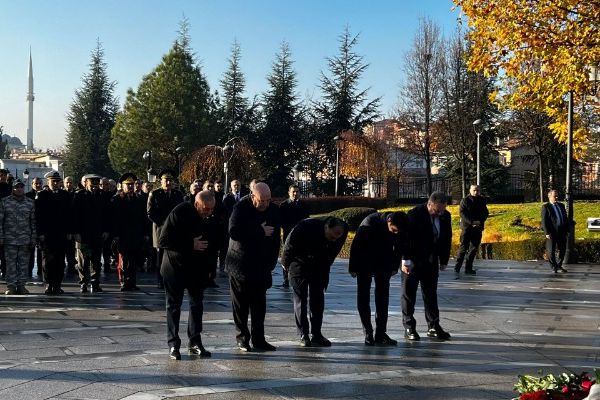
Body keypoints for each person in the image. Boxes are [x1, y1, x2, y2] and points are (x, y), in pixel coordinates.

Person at [160, 190, 219, 360]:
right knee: (174, 306)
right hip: (175, 267)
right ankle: (173, 344)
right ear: (196, 204)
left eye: (212, 209)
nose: (209, 212)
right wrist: (190, 244)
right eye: (206, 208)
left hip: (197, 269)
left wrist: (211, 269)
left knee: (196, 305)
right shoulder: (180, 211)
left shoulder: (210, 217)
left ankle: (195, 342)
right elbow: (164, 240)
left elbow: (212, 244)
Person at [226, 182, 281, 352]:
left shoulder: (273, 210)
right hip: (240, 263)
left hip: (261, 264)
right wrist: (259, 230)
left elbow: (276, 238)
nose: (265, 204)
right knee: (240, 305)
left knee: (259, 305)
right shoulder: (241, 207)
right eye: (261, 200)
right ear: (252, 196)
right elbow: (233, 231)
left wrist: (272, 262)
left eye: (268, 200)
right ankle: (242, 338)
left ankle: (259, 339)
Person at [281, 216, 348, 347]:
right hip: (299, 263)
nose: (334, 239)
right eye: (332, 236)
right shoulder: (306, 226)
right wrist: (285, 262)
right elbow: (290, 243)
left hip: (320, 265)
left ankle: (317, 334)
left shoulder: (342, 230)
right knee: (300, 299)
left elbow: (334, 250)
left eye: (337, 237)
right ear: (326, 227)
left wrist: (327, 264)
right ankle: (303, 334)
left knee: (318, 300)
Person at [349, 211, 409, 346]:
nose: (396, 233)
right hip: (365, 261)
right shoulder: (370, 222)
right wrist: (353, 267)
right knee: (363, 296)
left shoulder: (401, 225)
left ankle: (381, 333)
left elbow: (400, 246)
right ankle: (368, 332)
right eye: (394, 230)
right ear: (389, 222)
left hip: (384, 262)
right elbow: (356, 244)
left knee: (383, 298)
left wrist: (394, 266)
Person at [401, 191, 452, 341]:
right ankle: (409, 326)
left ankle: (433, 325)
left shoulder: (445, 215)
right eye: (437, 210)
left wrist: (444, 259)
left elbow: (446, 237)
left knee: (430, 294)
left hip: (431, 260)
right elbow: (406, 238)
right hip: (413, 261)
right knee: (409, 294)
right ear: (429, 204)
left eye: (442, 209)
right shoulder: (414, 214)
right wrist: (406, 260)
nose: (440, 213)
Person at [73, 174, 111, 293]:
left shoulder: (103, 195)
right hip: (83, 235)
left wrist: (106, 230)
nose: (94, 187)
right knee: (83, 261)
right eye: (92, 185)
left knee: (96, 261)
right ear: (86, 184)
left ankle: (95, 283)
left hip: (97, 234)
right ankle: (83, 282)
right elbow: (74, 216)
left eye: (96, 185)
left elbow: (107, 215)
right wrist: (76, 232)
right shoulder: (79, 196)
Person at [36, 171, 72, 294]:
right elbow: (39, 216)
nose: (56, 184)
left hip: (61, 233)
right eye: (53, 181)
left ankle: (57, 284)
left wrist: (69, 231)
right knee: (47, 261)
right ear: (48, 182)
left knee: (60, 261)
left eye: (57, 181)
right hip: (47, 234)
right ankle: (48, 284)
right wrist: (40, 233)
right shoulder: (42, 195)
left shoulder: (65, 195)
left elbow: (69, 214)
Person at [147, 170, 184, 288]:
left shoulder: (177, 194)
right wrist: (164, 224)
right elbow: (150, 213)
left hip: (174, 230)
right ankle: (160, 280)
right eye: (166, 180)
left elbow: (181, 211)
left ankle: (171, 279)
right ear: (161, 181)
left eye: (170, 181)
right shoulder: (155, 194)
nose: (168, 183)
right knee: (161, 257)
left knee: (173, 256)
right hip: (160, 229)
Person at [112, 173, 149, 291]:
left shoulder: (139, 199)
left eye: (132, 184)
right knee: (124, 260)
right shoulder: (117, 199)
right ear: (122, 186)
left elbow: (144, 217)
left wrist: (145, 233)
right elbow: (114, 219)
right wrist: (115, 234)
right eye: (128, 185)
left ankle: (132, 282)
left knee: (133, 260)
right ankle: (124, 282)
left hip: (136, 235)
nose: (130, 187)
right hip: (122, 236)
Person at [1, 179, 36, 295]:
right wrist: (1, 237)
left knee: (23, 265)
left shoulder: (30, 203)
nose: (19, 189)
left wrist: (33, 238)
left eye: (21, 187)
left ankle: (21, 286)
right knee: (10, 264)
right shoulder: (4, 202)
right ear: (13, 189)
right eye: (17, 187)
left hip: (25, 239)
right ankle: (11, 286)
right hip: (9, 239)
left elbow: (33, 222)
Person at [454, 184, 489, 277]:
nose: (476, 192)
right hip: (467, 228)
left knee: (473, 248)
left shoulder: (482, 200)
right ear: (470, 190)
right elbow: (462, 213)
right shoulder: (465, 200)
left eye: (477, 190)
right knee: (463, 247)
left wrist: (480, 221)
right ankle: (457, 266)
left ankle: (468, 268)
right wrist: (471, 222)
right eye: (474, 190)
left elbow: (485, 213)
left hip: (478, 228)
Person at [279, 184, 310, 287]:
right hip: (288, 235)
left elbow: (307, 220)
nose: (295, 193)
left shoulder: (304, 205)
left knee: (300, 257)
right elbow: (281, 221)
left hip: (301, 236)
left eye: (297, 191)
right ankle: (286, 279)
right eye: (293, 192)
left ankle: (298, 277)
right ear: (289, 193)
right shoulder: (284, 205)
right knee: (287, 256)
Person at [541, 189, 568, 273]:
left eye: (557, 196)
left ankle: (559, 265)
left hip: (562, 231)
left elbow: (565, 218)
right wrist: (546, 232)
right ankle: (554, 266)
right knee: (551, 251)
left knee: (562, 249)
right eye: (554, 196)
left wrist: (567, 230)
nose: (556, 197)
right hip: (551, 232)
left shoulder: (561, 205)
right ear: (549, 196)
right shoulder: (546, 207)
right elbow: (544, 221)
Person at [26, 176, 44, 277]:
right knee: (30, 250)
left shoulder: (45, 195)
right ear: (32, 184)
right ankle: (29, 271)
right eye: (36, 183)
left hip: (41, 226)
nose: (38, 185)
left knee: (41, 251)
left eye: (39, 183)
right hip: (30, 227)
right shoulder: (27, 196)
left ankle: (41, 271)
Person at [63, 176, 78, 275]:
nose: (69, 184)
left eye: (70, 182)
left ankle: (71, 268)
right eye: (67, 182)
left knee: (71, 250)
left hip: (73, 226)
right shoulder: (61, 194)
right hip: (63, 227)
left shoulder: (77, 194)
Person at [0, 168, 12, 280]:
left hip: (7, 222)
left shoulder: (9, 188)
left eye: (3, 175)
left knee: (5, 251)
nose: (2, 177)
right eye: (0, 175)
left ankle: (4, 271)